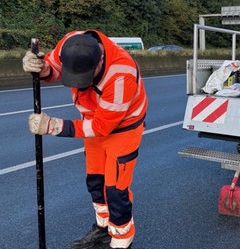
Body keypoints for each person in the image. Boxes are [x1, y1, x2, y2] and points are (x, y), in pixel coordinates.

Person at [22, 30, 148, 249]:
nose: (79, 85)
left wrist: (53, 126)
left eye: (84, 78)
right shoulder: (71, 45)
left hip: (123, 128)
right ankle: (103, 229)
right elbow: (53, 69)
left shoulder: (120, 74)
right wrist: (41, 69)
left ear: (99, 61)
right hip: (91, 121)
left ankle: (121, 241)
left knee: (116, 191)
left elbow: (102, 126)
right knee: (95, 181)